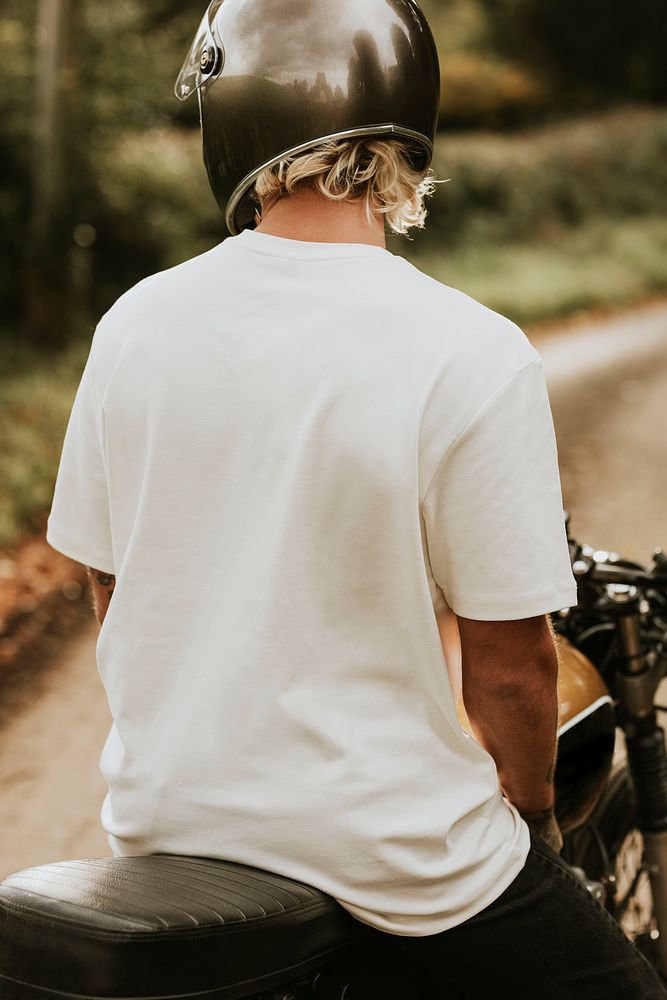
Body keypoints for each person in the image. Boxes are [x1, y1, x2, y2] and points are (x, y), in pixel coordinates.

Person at [46, 1, 667, 996]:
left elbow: (114, 586)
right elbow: (509, 669)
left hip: (167, 828)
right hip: (395, 862)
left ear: (227, 112)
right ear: (406, 126)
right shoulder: (467, 347)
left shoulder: (135, 324)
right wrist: (533, 821)